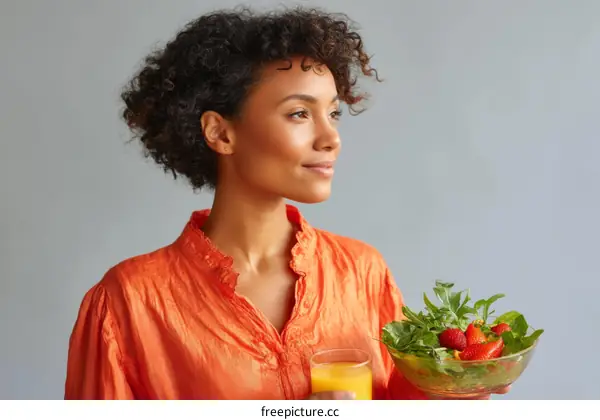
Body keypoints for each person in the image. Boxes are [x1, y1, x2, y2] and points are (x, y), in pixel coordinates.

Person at [64, 6, 507, 400]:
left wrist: (456, 388)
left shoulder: (363, 273)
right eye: (299, 113)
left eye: (333, 113)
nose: (331, 137)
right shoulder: (129, 302)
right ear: (221, 133)